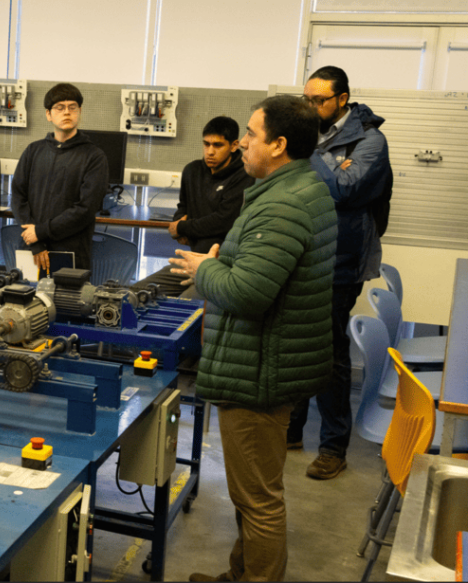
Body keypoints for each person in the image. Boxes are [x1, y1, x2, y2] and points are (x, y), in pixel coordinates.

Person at [169, 95, 337, 582]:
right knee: (251, 491)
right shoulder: (293, 188)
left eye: (251, 133)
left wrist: (208, 268)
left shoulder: (283, 204)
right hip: (264, 361)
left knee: (258, 498)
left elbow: (248, 292)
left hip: (259, 370)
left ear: (279, 145)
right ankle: (239, 574)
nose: (242, 142)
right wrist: (227, 263)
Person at [289, 65, 394, 480]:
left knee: (330, 351)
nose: (311, 108)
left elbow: (344, 189)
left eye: (319, 100)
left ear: (342, 100)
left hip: (343, 259)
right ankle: (293, 430)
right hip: (307, 253)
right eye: (306, 100)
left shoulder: (370, 141)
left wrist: (311, 153)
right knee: (299, 344)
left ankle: (334, 447)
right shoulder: (316, 138)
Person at [130, 116, 252, 298]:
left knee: (184, 304)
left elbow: (223, 221)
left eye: (218, 145)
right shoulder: (192, 171)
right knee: (135, 294)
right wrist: (179, 225)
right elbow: (183, 208)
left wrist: (181, 227)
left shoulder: (244, 174)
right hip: (191, 261)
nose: (210, 151)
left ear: (234, 146)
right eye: (206, 144)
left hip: (222, 265)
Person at [11, 83, 108, 273]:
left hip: (70, 251)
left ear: (80, 111)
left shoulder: (94, 157)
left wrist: (40, 232)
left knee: (66, 301)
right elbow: (17, 196)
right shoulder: (33, 151)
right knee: (25, 299)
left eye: (72, 107)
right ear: (48, 114)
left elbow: (85, 209)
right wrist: (35, 242)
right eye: (60, 108)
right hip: (31, 249)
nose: (67, 113)